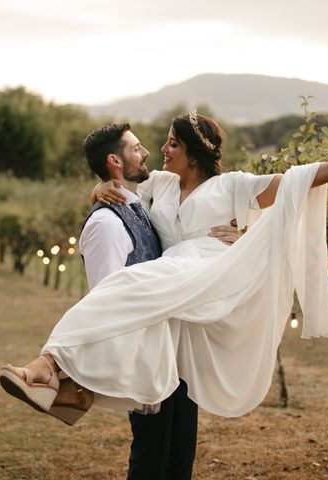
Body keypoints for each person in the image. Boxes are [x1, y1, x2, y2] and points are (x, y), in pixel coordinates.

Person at [0, 110, 328, 427]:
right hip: (172, 274)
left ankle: (50, 369)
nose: (162, 150)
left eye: (173, 144)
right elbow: (120, 188)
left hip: (208, 274)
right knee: (119, 299)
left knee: (121, 289)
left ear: (193, 154)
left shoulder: (232, 186)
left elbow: (297, 180)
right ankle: (65, 379)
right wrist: (96, 192)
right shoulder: (160, 185)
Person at [78, 123, 240, 479]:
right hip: (147, 355)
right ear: (115, 160)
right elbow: (107, 297)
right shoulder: (106, 224)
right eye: (137, 148)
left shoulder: (145, 202)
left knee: (179, 456)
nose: (148, 151)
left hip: (178, 348)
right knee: (151, 459)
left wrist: (241, 233)